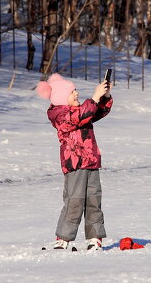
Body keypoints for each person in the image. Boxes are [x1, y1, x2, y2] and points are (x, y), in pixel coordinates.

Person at [37, 72, 112, 250]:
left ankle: (95, 238)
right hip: (75, 165)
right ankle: (63, 238)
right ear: (62, 98)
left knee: (93, 200)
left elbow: (97, 111)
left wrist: (105, 96)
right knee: (74, 201)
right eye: (72, 92)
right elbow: (78, 117)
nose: (77, 93)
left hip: (91, 162)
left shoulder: (81, 112)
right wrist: (94, 97)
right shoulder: (59, 115)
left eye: (76, 90)